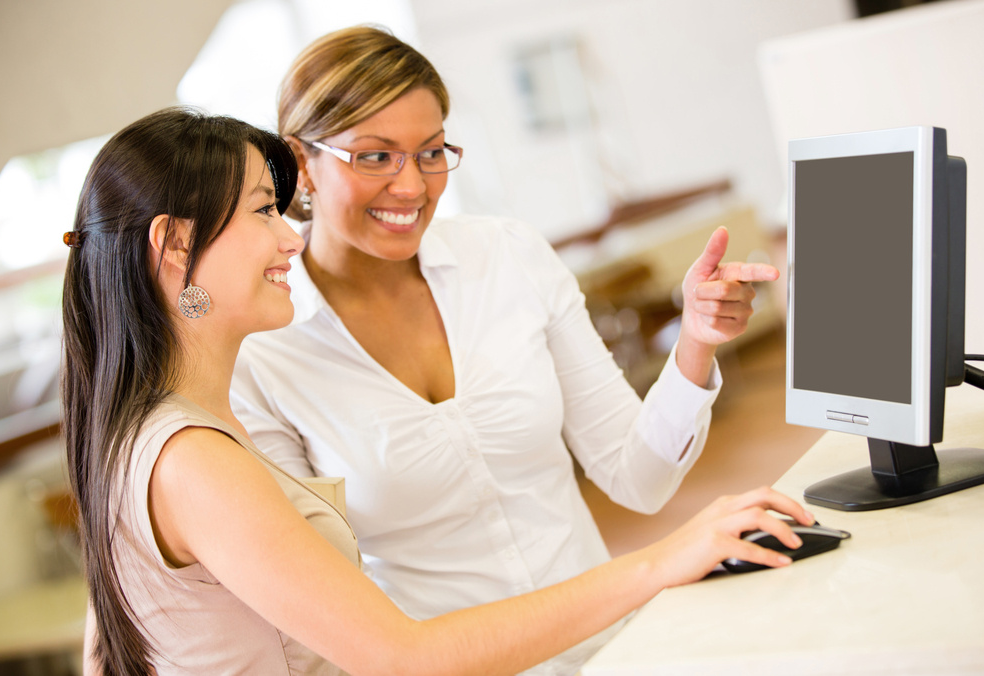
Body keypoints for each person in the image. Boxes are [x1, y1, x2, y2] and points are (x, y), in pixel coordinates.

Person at [67, 106, 813, 676]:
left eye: (432, 152)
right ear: (172, 247)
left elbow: (109, 646)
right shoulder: (192, 456)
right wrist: (664, 559)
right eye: (266, 210)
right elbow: (404, 657)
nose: (289, 237)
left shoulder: (160, 430)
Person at [229, 25, 781, 675]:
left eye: (431, 151)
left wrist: (695, 343)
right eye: (375, 156)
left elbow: (638, 477)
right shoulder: (261, 352)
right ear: (300, 162)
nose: (411, 187)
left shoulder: (508, 255)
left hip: (612, 649)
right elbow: (323, 607)